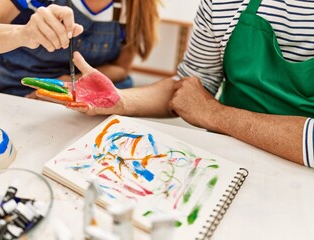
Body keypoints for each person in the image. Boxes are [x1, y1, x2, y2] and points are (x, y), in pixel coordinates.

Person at [31, 0, 314, 169]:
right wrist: (119, 101)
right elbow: (188, 90)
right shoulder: (221, 4)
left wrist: (215, 114)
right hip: (227, 153)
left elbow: (203, 107)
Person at [0, 0, 160, 97]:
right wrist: (23, 34)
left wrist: (66, 84)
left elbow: (121, 68)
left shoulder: (136, 7)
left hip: (86, 95)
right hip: (22, 94)